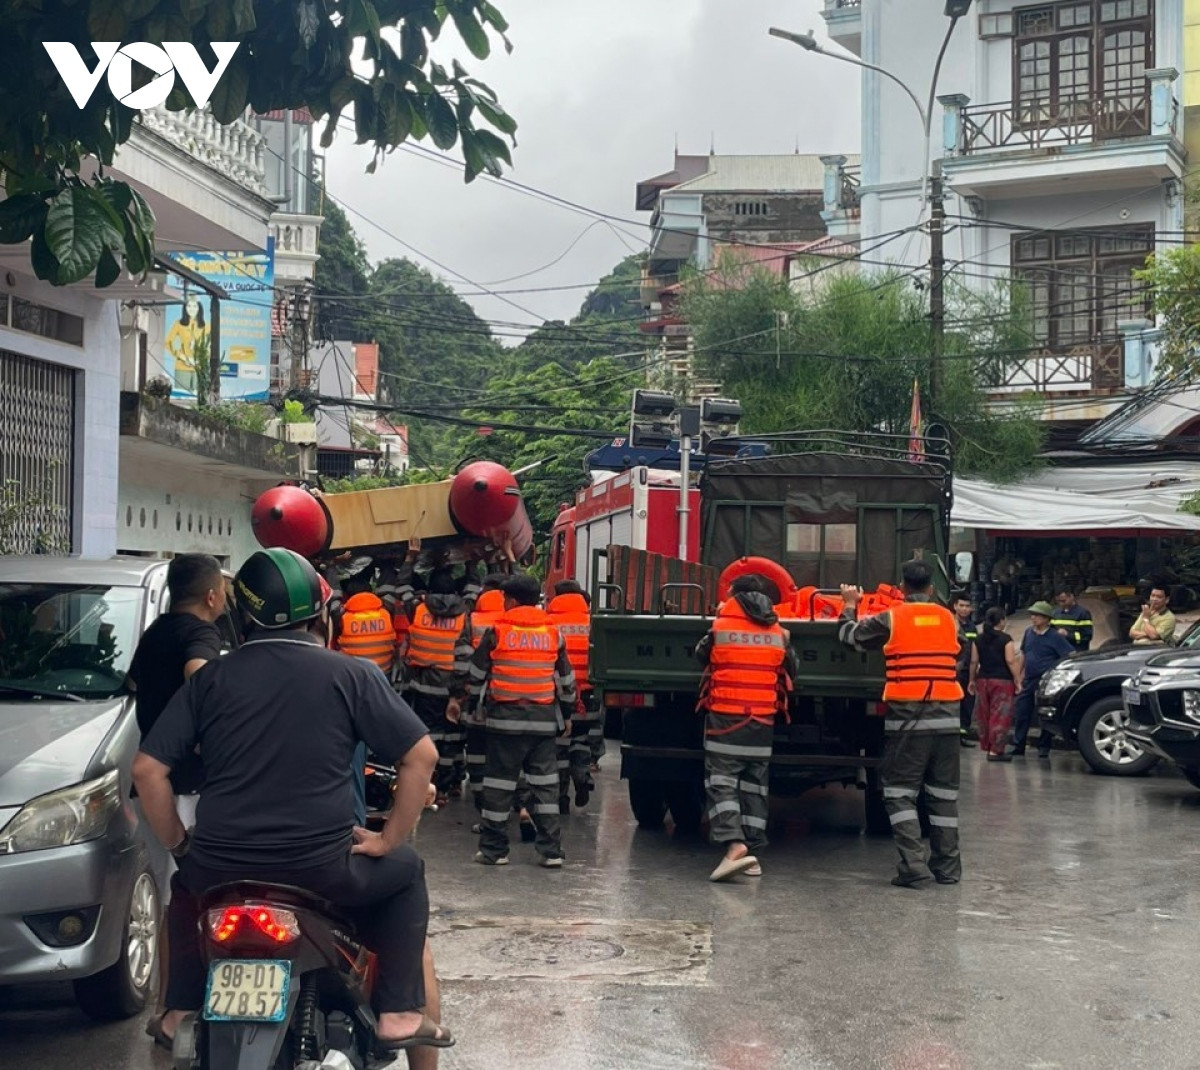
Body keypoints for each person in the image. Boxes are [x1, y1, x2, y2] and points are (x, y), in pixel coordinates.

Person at [132, 548, 451, 1053]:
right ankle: (396, 1012)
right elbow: (421, 756)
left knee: (185, 888)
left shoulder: (211, 679)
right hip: (320, 871)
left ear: (244, 615)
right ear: (318, 615)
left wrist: (180, 843)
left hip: (220, 867)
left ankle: (177, 1010)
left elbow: (148, 769)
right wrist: (387, 838)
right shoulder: (353, 676)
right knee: (407, 872)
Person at [127, 553, 226, 1032]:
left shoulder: (154, 634)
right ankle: (176, 1004)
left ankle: (167, 1002)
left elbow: (133, 684)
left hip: (151, 784)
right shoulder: (201, 634)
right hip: (186, 784)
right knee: (185, 896)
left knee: (170, 892)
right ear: (211, 596)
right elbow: (199, 675)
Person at [839, 561, 963, 889]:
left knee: (898, 793)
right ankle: (948, 869)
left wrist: (849, 606)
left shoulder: (892, 617)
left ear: (902, 587)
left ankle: (913, 865)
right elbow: (960, 652)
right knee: (943, 796)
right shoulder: (950, 619)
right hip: (949, 720)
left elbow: (850, 638)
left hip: (909, 720)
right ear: (932, 589)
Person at [695, 574, 799, 883]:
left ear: (734, 597)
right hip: (763, 721)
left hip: (726, 719)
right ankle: (753, 853)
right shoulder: (780, 633)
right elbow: (792, 668)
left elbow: (701, 656)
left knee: (722, 782)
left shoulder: (720, 628)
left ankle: (734, 845)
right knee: (755, 785)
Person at [469, 574, 577, 867]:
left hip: (504, 722)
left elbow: (476, 675)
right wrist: (566, 714)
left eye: (505, 598)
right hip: (542, 724)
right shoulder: (553, 633)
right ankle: (551, 851)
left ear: (512, 600)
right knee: (545, 788)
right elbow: (566, 681)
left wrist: (469, 705)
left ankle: (494, 851)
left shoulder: (497, 631)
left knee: (498, 787)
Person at [397, 566, 473, 804]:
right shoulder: (464, 612)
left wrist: (410, 559)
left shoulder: (419, 609)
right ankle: (446, 787)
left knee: (427, 736)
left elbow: (402, 588)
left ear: (430, 589)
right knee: (452, 737)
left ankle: (429, 784)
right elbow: (473, 589)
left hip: (424, 687)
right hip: (454, 687)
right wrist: (473, 559)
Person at [547, 580, 600, 810]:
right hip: (588, 695)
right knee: (581, 739)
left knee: (559, 744)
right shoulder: (593, 623)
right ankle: (582, 775)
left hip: (559, 695)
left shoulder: (549, 623)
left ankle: (561, 797)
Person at [466, 574, 508, 807]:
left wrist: (469, 696)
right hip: (511, 700)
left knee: (477, 745)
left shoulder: (473, 619)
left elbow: (468, 661)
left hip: (482, 696)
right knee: (506, 754)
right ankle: (517, 804)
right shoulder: (513, 622)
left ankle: (480, 793)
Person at [1013, 601, 1075, 759]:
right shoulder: (1028, 633)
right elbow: (1023, 655)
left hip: (1047, 681)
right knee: (1022, 711)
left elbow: (1069, 656)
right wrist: (1019, 677)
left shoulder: (1055, 636)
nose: (1034, 618)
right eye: (1032, 615)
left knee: (1045, 714)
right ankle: (1018, 745)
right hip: (1030, 679)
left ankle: (1044, 746)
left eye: (1038, 615)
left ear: (1047, 618)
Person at [969, 608, 1023, 761]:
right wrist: (1018, 680)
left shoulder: (978, 639)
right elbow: (1011, 661)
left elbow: (974, 661)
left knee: (984, 715)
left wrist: (972, 680)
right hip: (1002, 681)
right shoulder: (1006, 639)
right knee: (1000, 715)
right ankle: (996, 750)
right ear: (1001, 621)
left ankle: (987, 746)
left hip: (983, 680)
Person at [952, 592, 978, 749]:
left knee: (967, 704)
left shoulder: (972, 627)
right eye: (961, 605)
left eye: (967, 606)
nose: (964, 609)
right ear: (955, 606)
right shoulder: (950, 623)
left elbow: (974, 649)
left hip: (968, 671)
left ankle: (963, 734)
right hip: (952, 670)